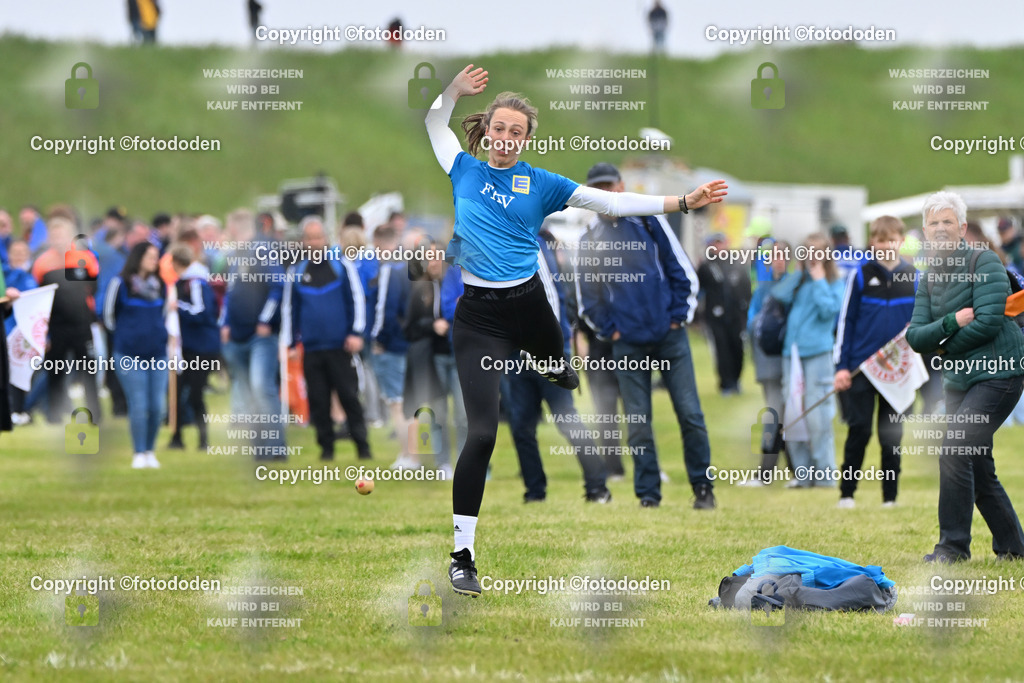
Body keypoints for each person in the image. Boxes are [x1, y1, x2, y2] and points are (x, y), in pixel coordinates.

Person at [424, 64, 727, 597]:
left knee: (555, 364)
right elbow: (433, 125)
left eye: (517, 132)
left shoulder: (543, 184)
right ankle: (462, 555)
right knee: (482, 434)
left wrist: (682, 202)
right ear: (487, 130)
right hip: (479, 318)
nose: (505, 138)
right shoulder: (463, 169)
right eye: (499, 129)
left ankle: (555, 362)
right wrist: (451, 91)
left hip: (529, 306)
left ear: (526, 139)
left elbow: (610, 201)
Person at [576, 162, 717, 511]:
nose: (607, 192)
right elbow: (587, 300)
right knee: (638, 422)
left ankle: (703, 487)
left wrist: (677, 319)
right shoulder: (589, 239)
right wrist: (612, 330)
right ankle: (648, 494)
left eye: (611, 185)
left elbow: (681, 270)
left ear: (622, 186)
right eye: (599, 187)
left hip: (670, 337)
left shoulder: (650, 220)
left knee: (690, 414)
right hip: (627, 342)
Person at [907, 191, 1024, 563]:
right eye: (933, 223)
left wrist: (943, 345)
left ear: (961, 227)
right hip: (959, 380)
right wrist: (950, 323)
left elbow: (989, 322)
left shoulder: (984, 261)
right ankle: (1014, 548)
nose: (940, 229)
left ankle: (952, 548)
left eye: (947, 222)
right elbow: (915, 337)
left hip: (999, 373)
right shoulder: (927, 279)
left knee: (956, 450)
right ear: (925, 232)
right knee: (976, 464)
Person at [508, 234, 611, 504]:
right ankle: (534, 492)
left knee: (567, 420)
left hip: (545, 351)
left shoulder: (528, 241)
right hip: (515, 355)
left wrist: (552, 350)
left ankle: (597, 487)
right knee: (521, 427)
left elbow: (553, 298)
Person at [833, 217, 918, 508]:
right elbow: (846, 322)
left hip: (897, 372)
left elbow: (922, 323)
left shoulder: (914, 277)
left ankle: (890, 498)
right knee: (860, 429)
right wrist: (841, 366)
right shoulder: (859, 275)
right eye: (880, 240)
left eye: (891, 240)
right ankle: (847, 494)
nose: (886, 246)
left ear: (900, 241)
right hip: (861, 369)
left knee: (891, 434)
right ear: (873, 242)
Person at [282, 217, 371, 461]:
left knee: (349, 396)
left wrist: (356, 333)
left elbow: (356, 300)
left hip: (340, 345)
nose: (314, 242)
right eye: (309, 238)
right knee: (318, 401)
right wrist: (290, 344)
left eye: (318, 237)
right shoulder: (297, 271)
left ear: (326, 238)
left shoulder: (342, 266)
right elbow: (290, 310)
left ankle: (362, 446)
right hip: (311, 348)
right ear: (303, 241)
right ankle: (326, 448)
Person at [771, 232, 846, 488]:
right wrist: (798, 271)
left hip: (818, 354)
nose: (813, 255)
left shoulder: (834, 282)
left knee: (818, 416)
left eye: (817, 251)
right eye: (807, 250)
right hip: (791, 355)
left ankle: (825, 475)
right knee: (793, 413)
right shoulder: (799, 280)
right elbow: (778, 294)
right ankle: (801, 475)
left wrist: (819, 281)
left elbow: (829, 311)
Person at [220, 209, 286, 460]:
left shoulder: (263, 250)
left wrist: (265, 319)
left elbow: (277, 285)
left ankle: (276, 448)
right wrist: (225, 323)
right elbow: (231, 292)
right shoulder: (236, 256)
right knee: (248, 393)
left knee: (261, 388)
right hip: (236, 335)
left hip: (260, 336)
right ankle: (260, 449)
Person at [103, 242, 170, 469]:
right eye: (150, 256)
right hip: (129, 353)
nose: (154, 260)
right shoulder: (120, 283)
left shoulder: (160, 285)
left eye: (156, 256)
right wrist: (127, 336)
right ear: (138, 257)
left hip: (158, 353)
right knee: (139, 404)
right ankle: (138, 452)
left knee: (157, 406)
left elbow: (163, 315)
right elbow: (109, 317)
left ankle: (150, 450)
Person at [31, 217, 102, 424]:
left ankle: (94, 415)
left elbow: (93, 288)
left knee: (88, 370)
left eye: (61, 234)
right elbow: (38, 295)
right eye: (53, 235)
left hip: (81, 324)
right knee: (55, 371)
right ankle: (54, 415)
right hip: (56, 326)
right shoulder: (42, 263)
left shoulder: (86, 258)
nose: (57, 239)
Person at [743, 239, 791, 486]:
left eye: (781, 256)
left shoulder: (792, 285)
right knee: (778, 413)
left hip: (785, 361)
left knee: (776, 414)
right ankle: (793, 471)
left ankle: (767, 473)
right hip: (766, 360)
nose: (776, 261)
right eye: (772, 256)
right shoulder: (763, 287)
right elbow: (753, 320)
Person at [167, 244, 219, 450]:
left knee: (196, 393)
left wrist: (178, 307)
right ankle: (176, 436)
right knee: (176, 391)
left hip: (201, 348)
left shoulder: (196, 283)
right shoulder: (182, 283)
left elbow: (201, 312)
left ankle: (203, 440)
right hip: (185, 347)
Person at [370, 225, 412, 466]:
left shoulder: (388, 270)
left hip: (393, 344)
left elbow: (384, 309)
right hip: (410, 342)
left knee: (397, 403)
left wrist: (378, 339)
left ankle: (408, 455)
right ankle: (414, 454)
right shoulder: (409, 265)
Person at [698, 232, 751, 395]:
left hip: (737, 315)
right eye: (714, 244)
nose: (718, 247)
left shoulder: (737, 264)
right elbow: (698, 290)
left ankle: (736, 380)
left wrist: (746, 309)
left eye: (720, 243)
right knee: (722, 350)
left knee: (737, 348)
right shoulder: (706, 267)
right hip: (715, 316)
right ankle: (726, 384)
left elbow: (746, 289)